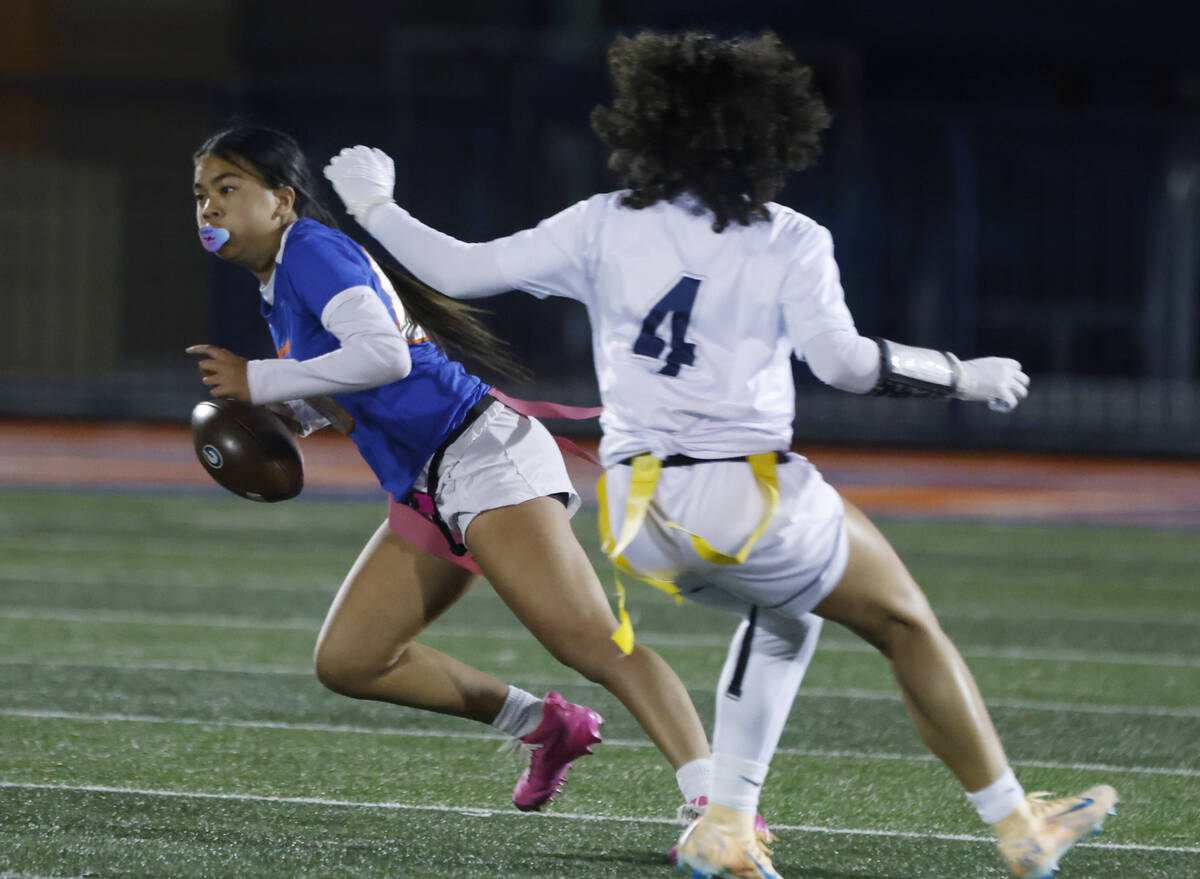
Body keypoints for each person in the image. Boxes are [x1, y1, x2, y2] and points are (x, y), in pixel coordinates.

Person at [322, 30, 1119, 879]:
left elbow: (461, 267)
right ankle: (1016, 823)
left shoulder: (604, 223)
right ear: (771, 133)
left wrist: (374, 207)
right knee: (906, 623)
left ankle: (727, 822)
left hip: (637, 517)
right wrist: (961, 374)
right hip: (748, 494)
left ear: (649, 125)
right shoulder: (790, 238)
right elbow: (847, 366)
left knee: (785, 618)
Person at [186, 123, 724, 818]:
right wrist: (302, 414)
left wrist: (258, 379)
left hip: (480, 455)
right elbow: (363, 376)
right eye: (200, 194)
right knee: (351, 658)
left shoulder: (311, 253)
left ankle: (717, 803)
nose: (209, 207)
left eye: (228, 188)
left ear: (283, 200)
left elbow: (387, 357)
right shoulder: (283, 277)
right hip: (428, 481)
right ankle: (545, 725)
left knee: (593, 642)